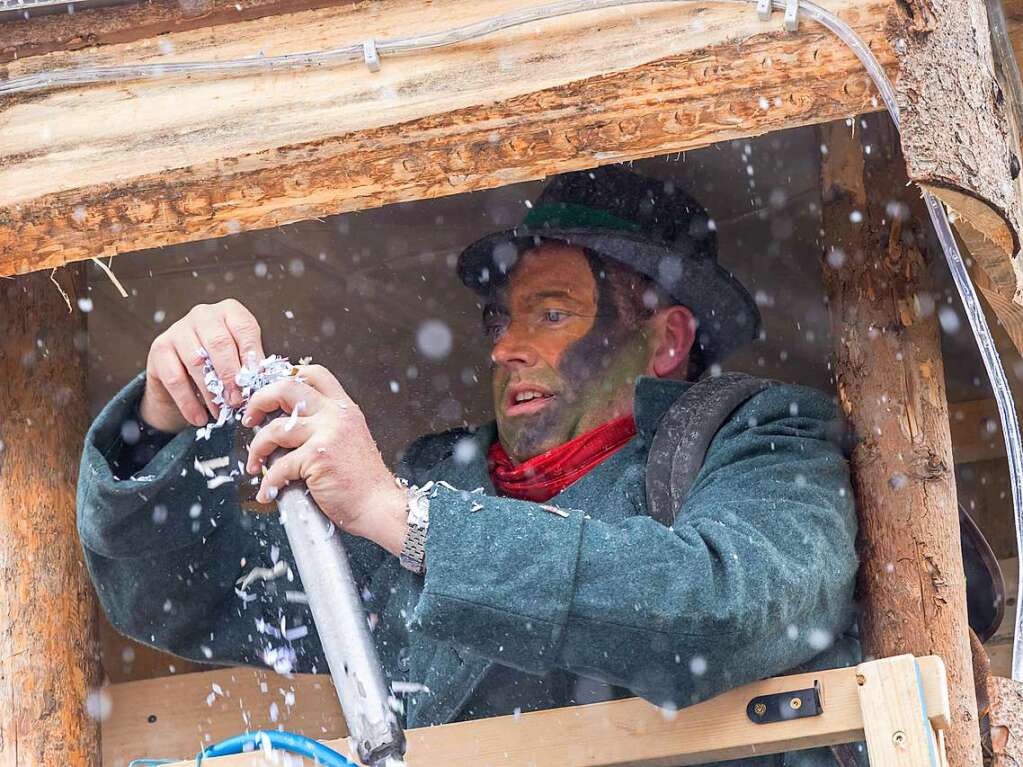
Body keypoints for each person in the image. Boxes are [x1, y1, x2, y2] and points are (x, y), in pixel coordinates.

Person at [77, 165, 858, 766]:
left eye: (550, 313)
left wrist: (405, 519)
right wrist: (160, 420)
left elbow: (725, 607)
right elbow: (182, 598)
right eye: (500, 318)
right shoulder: (442, 479)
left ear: (665, 339)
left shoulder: (762, 435)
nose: (504, 346)